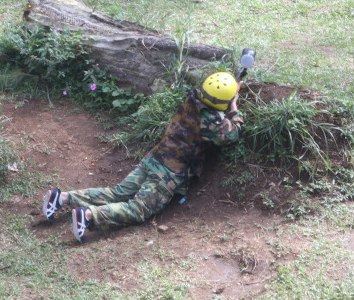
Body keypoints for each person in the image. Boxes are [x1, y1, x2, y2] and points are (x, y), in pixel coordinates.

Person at [43, 72, 244, 243]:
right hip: (168, 174)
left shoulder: (191, 98)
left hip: (153, 159)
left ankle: (62, 198)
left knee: (118, 193)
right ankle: (88, 216)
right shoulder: (210, 121)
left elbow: (215, 98)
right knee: (138, 210)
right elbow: (231, 134)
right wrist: (234, 106)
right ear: (222, 102)